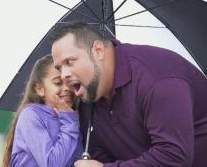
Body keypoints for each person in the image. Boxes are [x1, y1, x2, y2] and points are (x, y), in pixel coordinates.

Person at [50, 22, 207, 167]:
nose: (63, 75)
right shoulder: (88, 96)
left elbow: (174, 156)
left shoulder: (157, 78)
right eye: (59, 68)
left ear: (98, 50)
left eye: (69, 62)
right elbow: (98, 153)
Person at [3, 55, 82, 167]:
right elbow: (51, 163)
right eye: (58, 83)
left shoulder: (75, 116)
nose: (67, 88)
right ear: (40, 89)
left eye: (70, 83)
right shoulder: (30, 116)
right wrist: (69, 120)